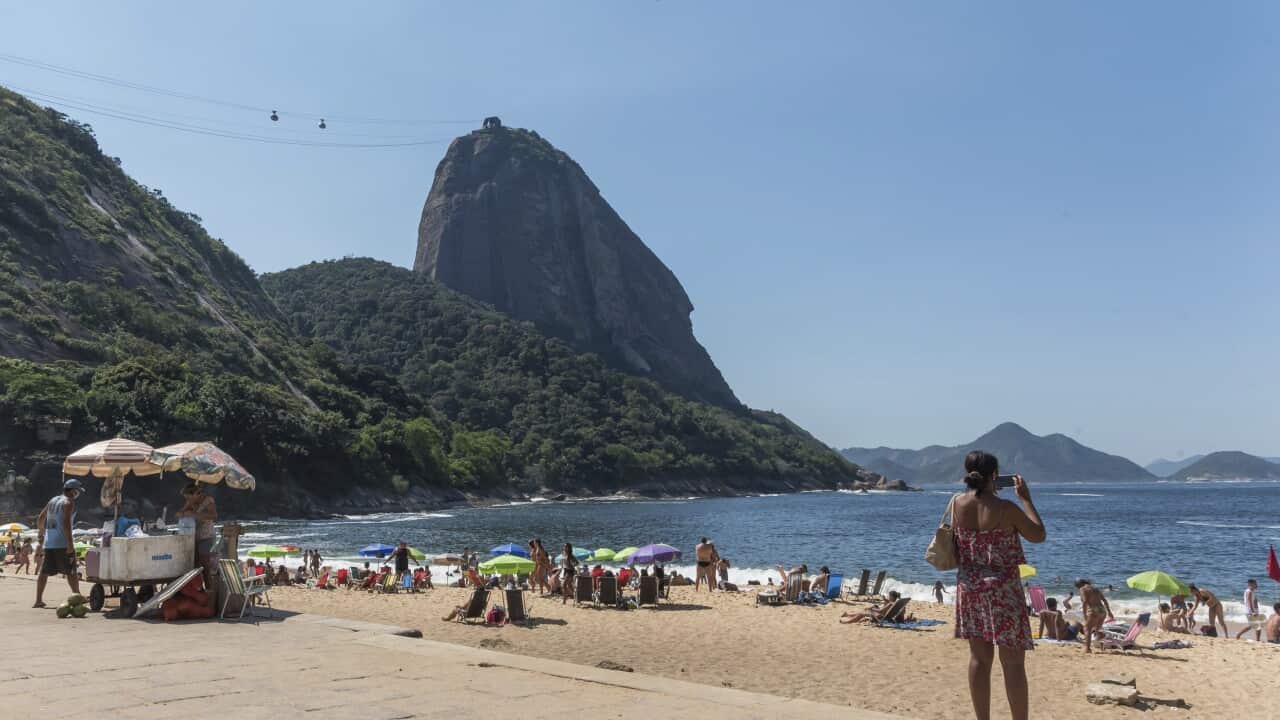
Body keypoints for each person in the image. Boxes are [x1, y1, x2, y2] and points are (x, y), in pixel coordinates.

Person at [952, 450, 1045, 720]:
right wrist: (1026, 500)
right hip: (1003, 590)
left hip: (970, 587)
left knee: (979, 660)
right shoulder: (1006, 509)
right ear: (994, 476)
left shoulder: (956, 504)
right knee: (1013, 664)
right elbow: (1038, 535)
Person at [33, 479, 84, 609]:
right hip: (62, 542)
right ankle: (77, 597)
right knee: (71, 571)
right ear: (73, 491)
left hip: (49, 543)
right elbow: (66, 523)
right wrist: (70, 543)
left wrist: (42, 531)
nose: (77, 493)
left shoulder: (53, 500)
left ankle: (38, 600)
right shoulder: (68, 502)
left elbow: (40, 518)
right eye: (77, 491)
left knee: (44, 572)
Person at [175, 482, 217, 590]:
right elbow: (179, 512)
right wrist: (181, 514)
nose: (188, 500)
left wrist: (195, 515)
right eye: (186, 498)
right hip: (194, 536)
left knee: (205, 565)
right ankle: (199, 590)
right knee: (194, 565)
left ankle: (209, 591)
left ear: (196, 494)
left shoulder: (208, 500)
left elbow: (214, 516)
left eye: (189, 497)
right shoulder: (190, 501)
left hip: (207, 536)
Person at [1075, 579, 1113, 653]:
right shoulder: (1095, 588)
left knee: (1086, 628)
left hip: (1093, 610)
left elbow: (1085, 601)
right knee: (1097, 630)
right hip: (1102, 610)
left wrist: (1084, 613)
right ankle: (1102, 637)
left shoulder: (1082, 589)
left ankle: (1087, 649)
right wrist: (1109, 612)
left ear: (1079, 585)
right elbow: (1104, 600)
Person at [840, 590, 906, 624]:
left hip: (880, 616)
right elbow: (903, 611)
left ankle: (847, 622)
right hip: (887, 617)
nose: (889, 597)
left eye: (889, 596)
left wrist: (871, 608)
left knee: (862, 614)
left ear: (891, 597)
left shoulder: (890, 604)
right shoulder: (895, 603)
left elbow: (881, 611)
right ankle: (848, 615)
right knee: (864, 613)